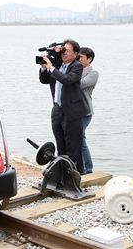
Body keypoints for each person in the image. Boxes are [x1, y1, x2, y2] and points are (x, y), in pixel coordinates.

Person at [39, 39, 89, 174]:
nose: (64, 53)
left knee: (73, 146)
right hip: (57, 109)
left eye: (67, 51)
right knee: (60, 143)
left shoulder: (76, 66)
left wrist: (51, 68)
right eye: (63, 50)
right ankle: (62, 173)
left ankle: (78, 175)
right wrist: (44, 66)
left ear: (76, 54)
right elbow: (44, 80)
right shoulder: (58, 64)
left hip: (72, 111)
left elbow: (67, 80)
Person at [78, 47, 99, 174]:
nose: (78, 59)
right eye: (78, 56)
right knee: (79, 138)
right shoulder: (75, 70)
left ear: (89, 59)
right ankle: (83, 167)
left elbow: (80, 84)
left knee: (80, 138)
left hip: (85, 112)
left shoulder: (93, 73)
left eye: (81, 57)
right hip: (74, 111)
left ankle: (88, 168)